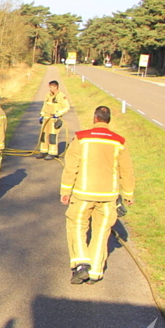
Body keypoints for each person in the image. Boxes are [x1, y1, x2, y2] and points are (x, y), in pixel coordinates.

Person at [59, 106, 135, 284]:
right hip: (108, 196)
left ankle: (81, 263)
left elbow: (71, 167)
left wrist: (65, 191)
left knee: (76, 226)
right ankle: (95, 272)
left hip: (83, 193)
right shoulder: (119, 141)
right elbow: (127, 170)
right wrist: (128, 194)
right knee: (101, 232)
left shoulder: (82, 138)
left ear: (95, 118)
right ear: (108, 120)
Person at [37, 80, 71, 160]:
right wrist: (41, 115)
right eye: (49, 87)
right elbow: (45, 105)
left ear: (56, 87)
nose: (50, 89)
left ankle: (52, 153)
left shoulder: (61, 96)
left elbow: (66, 107)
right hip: (46, 118)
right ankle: (43, 152)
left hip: (54, 119)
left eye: (51, 87)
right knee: (44, 135)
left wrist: (58, 114)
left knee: (52, 136)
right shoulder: (48, 95)